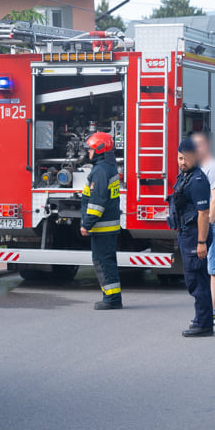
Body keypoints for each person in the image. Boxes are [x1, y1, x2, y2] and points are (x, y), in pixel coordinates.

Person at [168, 138, 214, 337]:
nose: (182, 162)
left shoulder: (197, 181)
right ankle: (201, 319)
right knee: (194, 280)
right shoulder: (185, 176)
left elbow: (204, 214)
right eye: (179, 158)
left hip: (196, 235)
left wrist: (201, 242)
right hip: (187, 234)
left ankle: (203, 324)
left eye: (186, 158)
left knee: (197, 280)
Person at [80, 131, 122, 310]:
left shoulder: (100, 171)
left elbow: (97, 202)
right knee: (107, 262)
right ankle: (112, 297)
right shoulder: (108, 167)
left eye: (90, 149)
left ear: (99, 148)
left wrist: (86, 223)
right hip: (108, 227)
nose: (88, 152)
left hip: (102, 228)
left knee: (103, 263)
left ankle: (111, 299)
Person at [192, 132, 215, 325]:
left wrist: (207, 226)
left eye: (199, 145)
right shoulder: (205, 167)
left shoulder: (213, 168)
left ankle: (213, 312)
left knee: (214, 269)